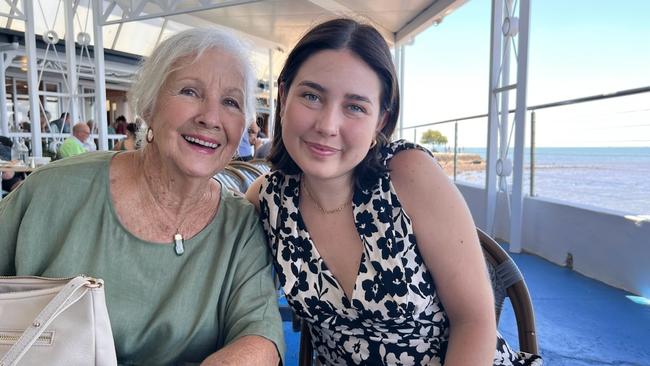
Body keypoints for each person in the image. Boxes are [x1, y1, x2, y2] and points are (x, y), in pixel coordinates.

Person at [246, 18, 542, 365]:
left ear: (381, 120)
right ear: (284, 94)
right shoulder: (267, 201)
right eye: (311, 96)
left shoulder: (407, 175)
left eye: (355, 106)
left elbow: (474, 321)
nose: (327, 125)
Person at [0, 28, 284, 365]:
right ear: (148, 106)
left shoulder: (240, 226)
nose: (210, 117)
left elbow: (259, 337)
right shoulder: (53, 191)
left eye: (231, 102)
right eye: (190, 91)